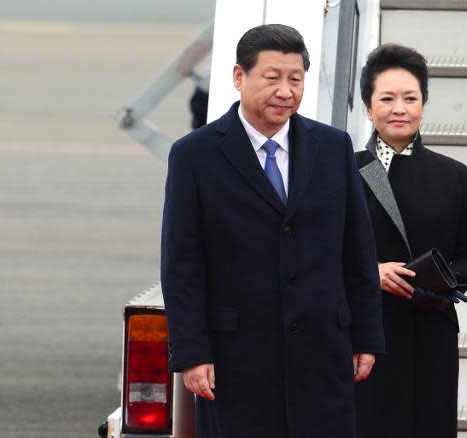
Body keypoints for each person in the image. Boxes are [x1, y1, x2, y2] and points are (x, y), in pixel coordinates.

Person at [160, 24, 385, 437]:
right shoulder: (195, 155)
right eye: (272, 78)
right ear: (238, 78)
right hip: (236, 360)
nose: (286, 91)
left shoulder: (333, 148)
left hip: (323, 355)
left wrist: (367, 336)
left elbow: (357, 250)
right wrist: (192, 353)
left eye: (295, 79)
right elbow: (182, 265)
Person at [354, 44, 467, 438]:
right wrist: (369, 272)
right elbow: (322, 248)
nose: (400, 108)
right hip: (368, 332)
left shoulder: (454, 175)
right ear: (368, 107)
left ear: (423, 105)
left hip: (432, 328)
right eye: (387, 98)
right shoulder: (346, 170)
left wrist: (438, 282)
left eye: (411, 98)